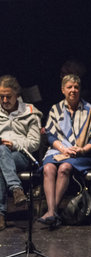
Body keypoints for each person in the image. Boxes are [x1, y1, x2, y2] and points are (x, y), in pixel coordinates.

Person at [39, 74, 91, 228]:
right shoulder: (56, 109)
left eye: (76, 87)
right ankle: (52, 211)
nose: (73, 90)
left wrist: (81, 150)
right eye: (69, 87)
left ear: (80, 90)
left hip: (81, 154)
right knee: (48, 168)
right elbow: (51, 136)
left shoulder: (90, 110)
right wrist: (63, 148)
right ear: (63, 90)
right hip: (58, 151)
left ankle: (52, 212)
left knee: (65, 168)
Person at [0, 75, 42, 231]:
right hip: (2, 156)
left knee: (2, 153)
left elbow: (35, 143)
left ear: (17, 95)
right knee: (1, 155)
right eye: (1, 97)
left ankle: (1, 215)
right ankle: (16, 189)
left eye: (8, 97)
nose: (4, 100)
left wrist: (14, 144)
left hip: (22, 155)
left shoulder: (30, 112)